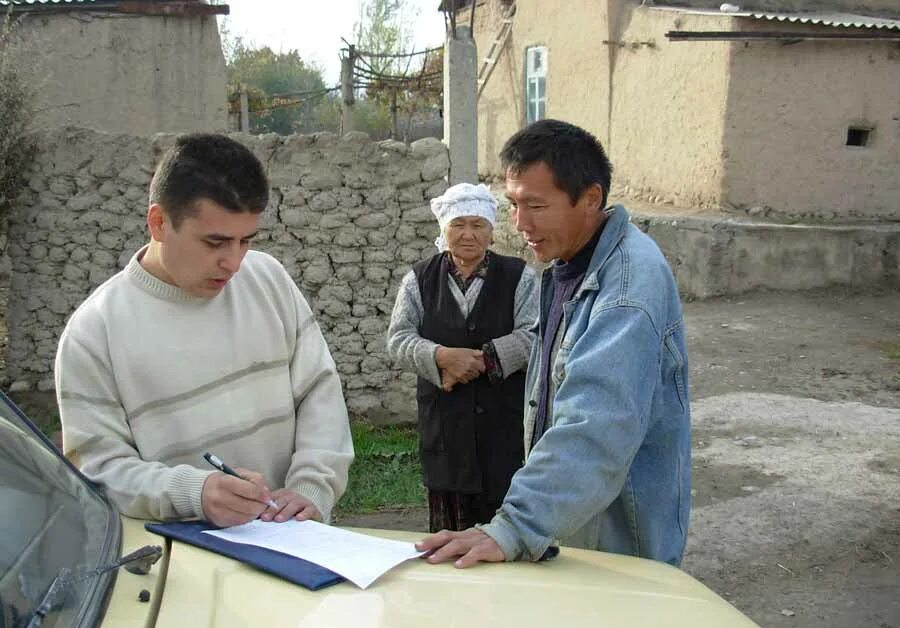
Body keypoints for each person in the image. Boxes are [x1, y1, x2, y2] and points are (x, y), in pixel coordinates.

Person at [416, 119, 691, 567]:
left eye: (536, 206)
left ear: (590, 199)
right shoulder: (569, 263)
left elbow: (596, 426)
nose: (520, 223)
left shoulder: (625, 289)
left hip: (618, 545)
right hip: (574, 521)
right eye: (513, 205)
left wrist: (517, 526)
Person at [54, 133, 354, 528]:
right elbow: (100, 470)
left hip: (295, 542)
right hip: (182, 567)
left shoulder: (268, 279)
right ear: (159, 222)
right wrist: (193, 493)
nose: (233, 262)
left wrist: (311, 489)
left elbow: (320, 392)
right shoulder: (93, 333)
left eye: (246, 241)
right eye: (215, 242)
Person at [387, 183, 538, 532]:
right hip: (445, 428)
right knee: (448, 533)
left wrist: (482, 360)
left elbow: (535, 334)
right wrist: (440, 357)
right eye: (458, 224)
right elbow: (398, 339)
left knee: (504, 527)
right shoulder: (418, 280)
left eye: (478, 224)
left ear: (491, 230)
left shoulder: (520, 278)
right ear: (444, 229)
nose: (468, 234)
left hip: (502, 428)